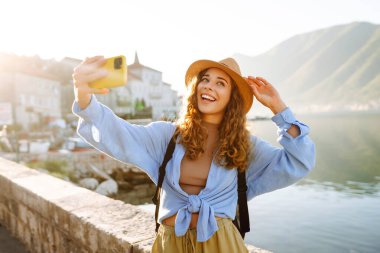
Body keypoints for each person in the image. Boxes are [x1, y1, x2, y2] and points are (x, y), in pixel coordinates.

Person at [72, 56, 316, 253]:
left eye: (221, 83)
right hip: (170, 245)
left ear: (232, 98)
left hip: (221, 245)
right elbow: (118, 134)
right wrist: (83, 95)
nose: (209, 85)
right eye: (205, 79)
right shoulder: (166, 136)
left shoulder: (245, 146)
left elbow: (299, 161)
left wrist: (279, 108)